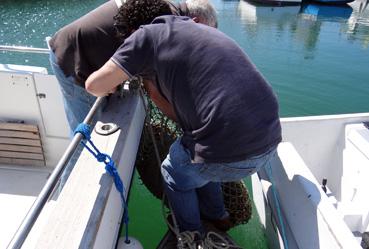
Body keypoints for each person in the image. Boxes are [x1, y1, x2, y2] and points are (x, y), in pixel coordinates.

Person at [48, 0, 218, 190]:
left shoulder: (167, 12)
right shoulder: (162, 24)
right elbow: (153, 89)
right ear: (195, 21)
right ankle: (65, 199)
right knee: (84, 139)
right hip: (74, 58)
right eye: (204, 33)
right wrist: (188, 125)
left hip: (88, 52)